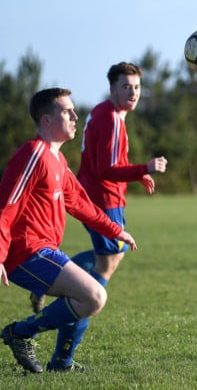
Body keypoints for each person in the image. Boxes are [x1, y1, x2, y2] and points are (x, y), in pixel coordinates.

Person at [28, 62, 168, 367]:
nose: (133, 93)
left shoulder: (108, 113)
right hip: (102, 200)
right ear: (112, 89)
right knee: (101, 274)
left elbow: (109, 161)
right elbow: (106, 169)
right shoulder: (110, 117)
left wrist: (137, 173)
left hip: (101, 196)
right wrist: (144, 167)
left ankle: (53, 287)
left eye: (137, 87)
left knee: (111, 258)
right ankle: (61, 354)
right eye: (126, 87)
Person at [0, 88, 138, 373]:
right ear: (46, 119)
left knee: (82, 295)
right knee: (93, 296)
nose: (76, 116)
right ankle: (21, 333)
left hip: (45, 249)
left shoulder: (57, 160)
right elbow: (6, 207)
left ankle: (62, 363)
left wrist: (115, 230)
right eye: (67, 111)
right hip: (25, 252)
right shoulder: (33, 154)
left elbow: (79, 203)